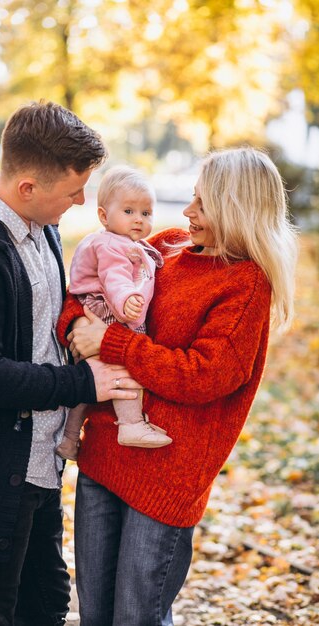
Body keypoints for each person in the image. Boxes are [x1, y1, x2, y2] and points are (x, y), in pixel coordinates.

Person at [0, 99, 140, 626]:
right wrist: (82, 380)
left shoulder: (44, 230)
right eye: (72, 191)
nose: (82, 202)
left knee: (46, 607)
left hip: (38, 468)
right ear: (28, 188)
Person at [57, 147, 298, 626]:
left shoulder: (245, 284)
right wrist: (75, 329)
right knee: (95, 613)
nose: (187, 213)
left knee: (136, 617)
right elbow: (88, 293)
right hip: (104, 452)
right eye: (192, 198)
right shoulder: (161, 248)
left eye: (203, 205)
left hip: (167, 473)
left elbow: (203, 376)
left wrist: (114, 342)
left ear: (237, 210)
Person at [56, 165, 172, 461]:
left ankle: (68, 439)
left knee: (94, 383)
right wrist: (126, 299)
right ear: (104, 216)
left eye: (146, 214)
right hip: (107, 313)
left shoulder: (125, 242)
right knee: (126, 371)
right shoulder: (110, 245)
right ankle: (131, 424)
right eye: (129, 211)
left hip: (99, 311)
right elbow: (114, 278)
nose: (139, 220)